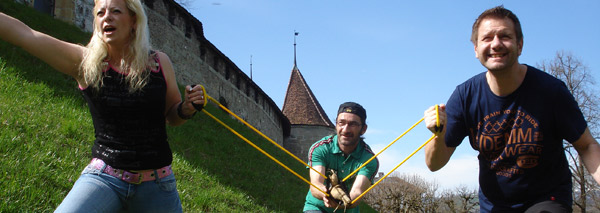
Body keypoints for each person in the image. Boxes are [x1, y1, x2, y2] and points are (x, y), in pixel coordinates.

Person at [0, 0, 206, 212]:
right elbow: (25, 35)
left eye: (116, 11)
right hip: (105, 178)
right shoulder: (86, 62)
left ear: (134, 20)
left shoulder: (159, 63)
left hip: (157, 183)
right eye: (100, 13)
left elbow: (172, 116)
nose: (106, 17)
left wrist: (186, 108)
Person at [423, 6, 600, 212]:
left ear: (520, 45)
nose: (496, 44)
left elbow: (587, 145)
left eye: (505, 36)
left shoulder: (551, 91)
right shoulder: (465, 96)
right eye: (487, 38)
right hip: (495, 206)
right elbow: (433, 164)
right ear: (476, 49)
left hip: (546, 199)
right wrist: (438, 134)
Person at [303, 102, 379, 213]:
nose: (345, 129)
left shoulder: (369, 160)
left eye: (352, 124)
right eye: (341, 123)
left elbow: (357, 193)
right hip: (316, 208)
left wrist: (341, 202)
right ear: (336, 125)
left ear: (363, 129)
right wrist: (327, 194)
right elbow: (315, 185)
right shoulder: (320, 149)